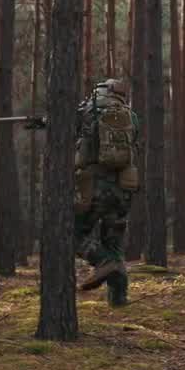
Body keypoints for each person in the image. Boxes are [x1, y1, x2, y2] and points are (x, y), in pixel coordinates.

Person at [73, 78, 141, 306]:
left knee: (72, 233)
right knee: (114, 242)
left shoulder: (88, 110)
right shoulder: (130, 115)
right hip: (123, 188)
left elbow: (67, 130)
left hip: (93, 185)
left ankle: (102, 262)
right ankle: (119, 298)